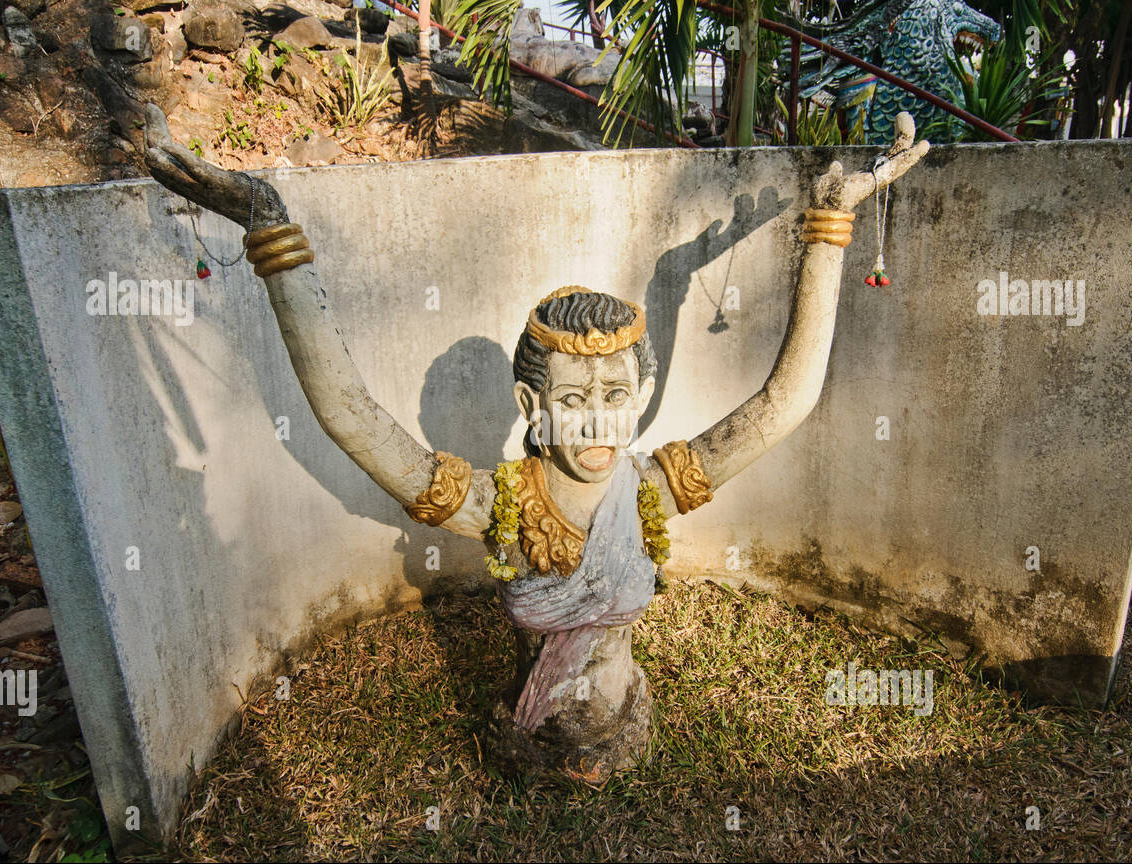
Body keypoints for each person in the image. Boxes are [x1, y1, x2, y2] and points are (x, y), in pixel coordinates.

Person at [142, 105, 929, 779]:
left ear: (641, 398)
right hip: (533, 732)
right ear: (532, 404)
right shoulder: (502, 505)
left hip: (625, 720)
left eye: (616, 397)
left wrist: (830, 224)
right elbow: (350, 414)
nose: (597, 423)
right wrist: (269, 224)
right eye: (574, 399)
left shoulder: (651, 487)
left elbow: (785, 401)